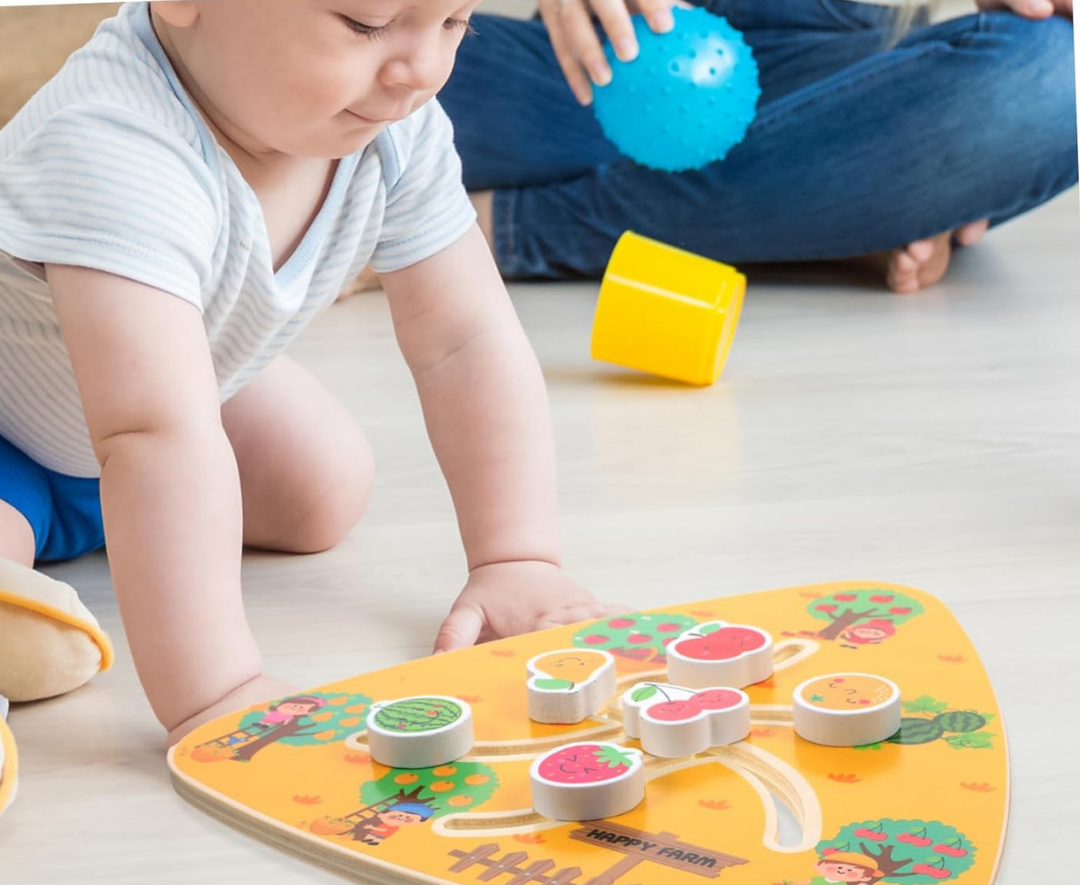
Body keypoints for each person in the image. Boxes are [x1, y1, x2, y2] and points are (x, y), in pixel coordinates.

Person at [0, 0, 619, 744]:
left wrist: (517, 556)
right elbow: (150, 436)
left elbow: (467, 337)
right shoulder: (113, 145)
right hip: (24, 424)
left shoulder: (390, 126)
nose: (421, 70)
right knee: (98, 495)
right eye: (365, 25)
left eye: (456, 22)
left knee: (323, 487)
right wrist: (216, 690)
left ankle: (104, 524)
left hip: (159, 395)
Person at [437, 0, 1077, 294]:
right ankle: (812, 217)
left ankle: (488, 232)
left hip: (861, 67)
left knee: (1060, 77)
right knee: (370, 54)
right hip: (614, 50)